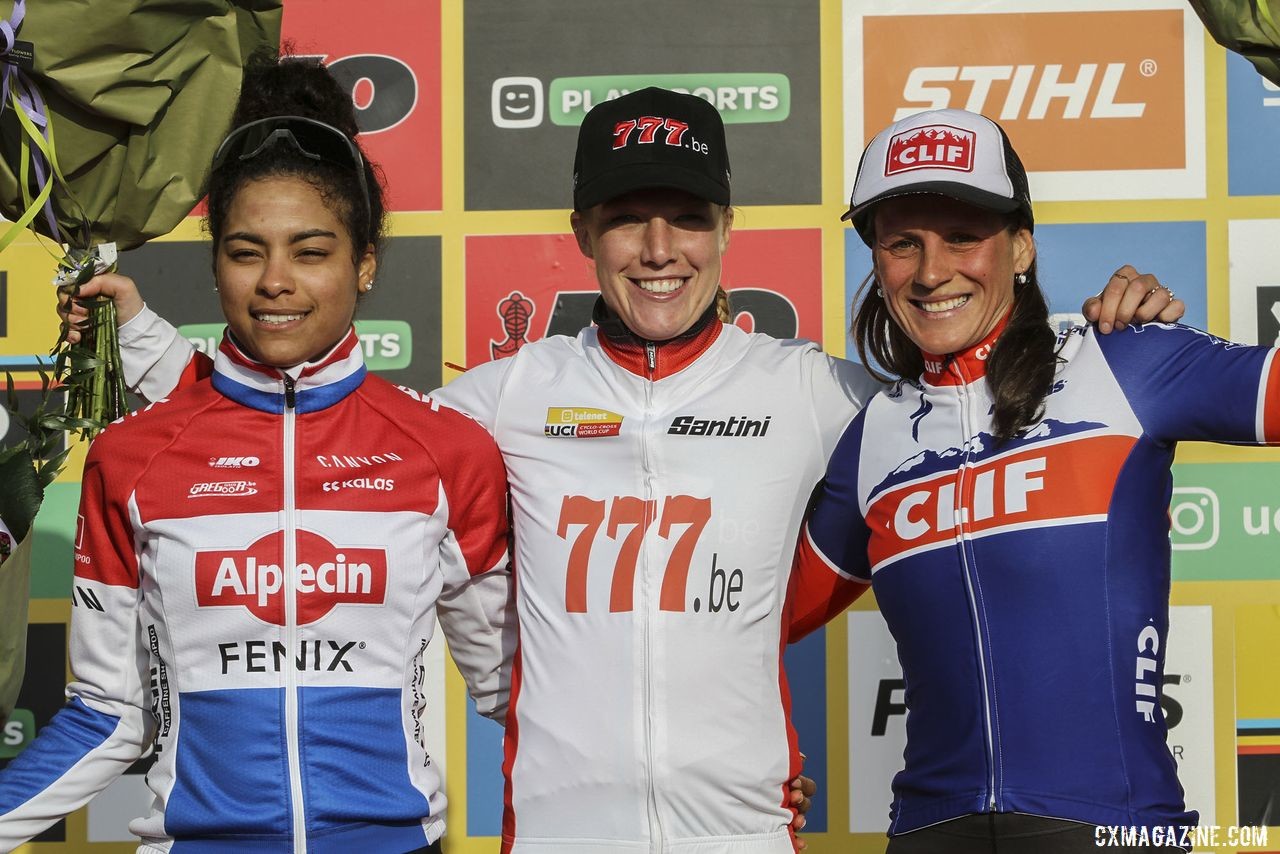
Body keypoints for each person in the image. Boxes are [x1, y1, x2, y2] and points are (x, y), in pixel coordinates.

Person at [62, 89, 1182, 853]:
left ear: (726, 226)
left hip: (740, 832)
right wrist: (159, 351)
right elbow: (319, 422)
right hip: (556, 829)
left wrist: (1100, 330)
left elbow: (977, 396)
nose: (658, 250)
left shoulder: (815, 391)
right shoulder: (500, 396)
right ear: (582, 231)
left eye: (685, 218)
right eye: (626, 220)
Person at [0, 56, 515, 853]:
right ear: (215, 266)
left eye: (310, 252)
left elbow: (517, 692)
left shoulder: (444, 450)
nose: (276, 281)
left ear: (364, 264)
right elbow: (107, 718)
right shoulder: (133, 459)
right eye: (246, 252)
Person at [795, 107, 1279, 852]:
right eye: (903, 243)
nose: (931, 271)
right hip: (930, 833)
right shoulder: (870, 438)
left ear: (1020, 245)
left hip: (1114, 829)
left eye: (962, 235)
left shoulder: (1123, 362)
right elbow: (747, 623)